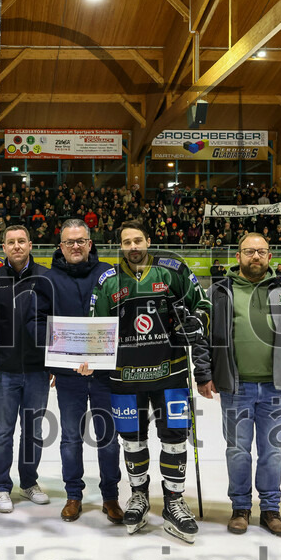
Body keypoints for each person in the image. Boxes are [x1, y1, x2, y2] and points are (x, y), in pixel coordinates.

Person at [82, 220, 210, 542]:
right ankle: (138, 495)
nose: (133, 247)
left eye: (138, 240)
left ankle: (174, 501)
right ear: (120, 246)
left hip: (172, 373)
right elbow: (97, 330)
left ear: (148, 240)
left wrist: (197, 324)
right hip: (125, 377)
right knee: (133, 442)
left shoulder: (173, 269)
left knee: (175, 439)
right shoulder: (108, 280)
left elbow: (203, 305)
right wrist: (87, 359)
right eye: (127, 242)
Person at [197, 233, 281, 536]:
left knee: (272, 452)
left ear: (270, 256)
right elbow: (203, 337)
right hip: (235, 387)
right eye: (249, 251)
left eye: (261, 252)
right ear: (237, 256)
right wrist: (203, 373)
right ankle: (240, 508)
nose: (255, 257)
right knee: (238, 451)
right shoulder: (218, 292)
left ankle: (270, 509)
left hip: (276, 388)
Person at [34, 219, 122, 523]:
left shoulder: (109, 273)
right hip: (69, 375)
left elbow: (120, 316)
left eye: (81, 241)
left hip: (104, 375)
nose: (75, 246)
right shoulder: (48, 278)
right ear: (60, 246)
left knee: (108, 437)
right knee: (70, 438)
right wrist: (60, 360)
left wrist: (102, 356)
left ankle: (111, 495)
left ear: (90, 243)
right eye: (69, 242)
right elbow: (39, 321)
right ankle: (74, 494)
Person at [0, 225, 53, 513]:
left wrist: (54, 361)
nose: (16, 246)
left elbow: (55, 322)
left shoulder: (47, 278)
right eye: (10, 242)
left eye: (21, 241)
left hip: (38, 370)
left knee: (33, 431)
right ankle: (1, 486)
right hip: (4, 371)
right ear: (3, 248)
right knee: (2, 431)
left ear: (30, 244)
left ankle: (28, 482)